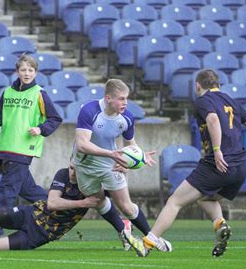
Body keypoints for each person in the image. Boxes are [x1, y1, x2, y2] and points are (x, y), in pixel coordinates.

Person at [141, 69, 246, 257]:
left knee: (174, 202)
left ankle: (149, 241)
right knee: (205, 198)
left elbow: (212, 119)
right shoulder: (231, 100)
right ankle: (220, 224)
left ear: (197, 85)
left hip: (217, 164)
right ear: (218, 84)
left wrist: (218, 150)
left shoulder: (203, 101)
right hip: (239, 168)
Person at [0, 161, 141, 251]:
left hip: (42, 234)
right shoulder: (62, 174)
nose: (71, 172)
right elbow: (52, 203)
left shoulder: (96, 187)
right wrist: (84, 203)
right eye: (71, 167)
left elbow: (113, 204)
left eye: (76, 169)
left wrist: (124, 169)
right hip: (29, 214)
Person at [73, 78, 172, 257]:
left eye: (126, 98)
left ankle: (152, 237)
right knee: (98, 201)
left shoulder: (127, 118)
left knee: (126, 206)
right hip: (84, 165)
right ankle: (123, 229)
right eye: (121, 98)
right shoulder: (89, 111)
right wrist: (112, 154)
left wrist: (137, 159)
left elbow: (130, 145)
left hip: (111, 166)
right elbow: (82, 145)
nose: (125, 103)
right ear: (108, 98)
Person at [0, 54, 62, 239]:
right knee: (29, 191)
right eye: (23, 70)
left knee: (6, 194)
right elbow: (1, 118)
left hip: (23, 150)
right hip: (6, 149)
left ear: (35, 72)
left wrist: (40, 129)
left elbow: (55, 119)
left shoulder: (39, 94)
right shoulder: (7, 92)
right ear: (17, 71)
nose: (26, 73)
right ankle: (59, 213)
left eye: (30, 70)